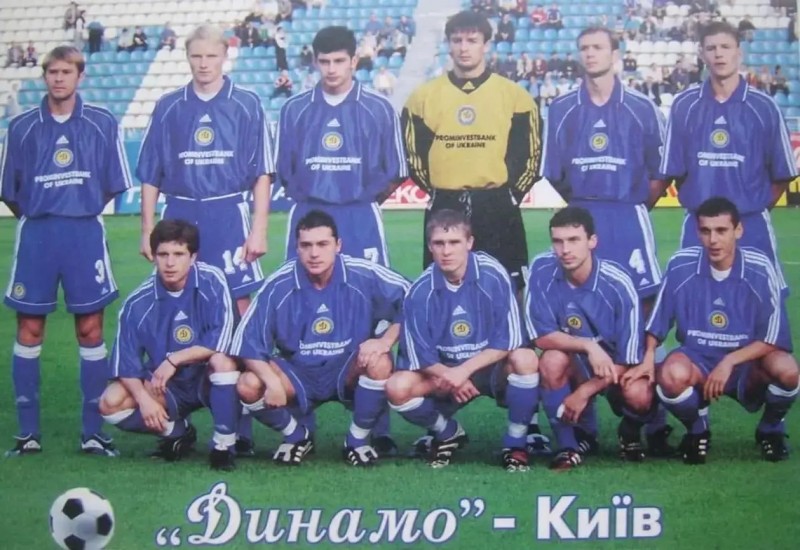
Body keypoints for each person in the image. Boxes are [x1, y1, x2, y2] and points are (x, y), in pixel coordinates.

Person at [541, 26, 671, 453]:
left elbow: (659, 171)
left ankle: (649, 417)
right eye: (584, 48)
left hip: (627, 214)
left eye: (598, 47)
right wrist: (583, 209)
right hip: (583, 211)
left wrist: (632, 206)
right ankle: (585, 425)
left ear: (616, 53)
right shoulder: (562, 108)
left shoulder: (642, 107)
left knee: (642, 306)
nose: (590, 54)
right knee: (575, 311)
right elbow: (556, 173)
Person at [1, 45, 132, 457]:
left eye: (66, 72)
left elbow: (112, 183)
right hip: (38, 235)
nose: (58, 79)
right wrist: (43, 212)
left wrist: (77, 207)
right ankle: (28, 434)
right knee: (29, 329)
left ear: (80, 76)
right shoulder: (21, 127)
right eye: (52, 72)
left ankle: (93, 433)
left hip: (84, 234)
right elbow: (10, 191)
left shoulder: (101, 123)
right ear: (44, 76)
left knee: (90, 329)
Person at [232, 210, 410, 466]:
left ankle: (357, 439)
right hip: (297, 372)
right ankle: (296, 435)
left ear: (338, 245)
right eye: (306, 245)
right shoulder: (278, 284)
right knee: (248, 384)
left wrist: (385, 341)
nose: (314, 253)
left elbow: (415, 299)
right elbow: (247, 343)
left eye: (322, 244)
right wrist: (272, 382)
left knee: (380, 361)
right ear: (297, 248)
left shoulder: (362, 273)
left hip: (348, 366)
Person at [645, 197, 798, 464]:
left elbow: (773, 337)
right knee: (669, 375)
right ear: (697, 232)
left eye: (721, 230)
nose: (713, 240)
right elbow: (657, 321)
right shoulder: (680, 266)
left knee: (788, 371)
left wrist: (730, 361)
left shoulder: (760, 268)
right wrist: (648, 357)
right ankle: (698, 430)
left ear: (738, 230)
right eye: (705, 231)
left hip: (747, 363)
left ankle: (770, 429)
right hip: (698, 359)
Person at [137, 24, 274, 316]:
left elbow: (262, 172)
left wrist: (259, 230)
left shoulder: (246, 103)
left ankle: (238, 350)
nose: (203, 63)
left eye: (211, 56)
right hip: (179, 211)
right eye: (196, 56)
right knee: (176, 299)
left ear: (224, 55)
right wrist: (147, 229)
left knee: (237, 303)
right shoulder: (168, 106)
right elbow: (150, 174)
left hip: (228, 213)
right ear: (187, 57)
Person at [387, 209, 538, 471]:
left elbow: (510, 340)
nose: (446, 251)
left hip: (490, 368)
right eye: (439, 243)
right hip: (444, 375)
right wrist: (452, 375)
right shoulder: (419, 292)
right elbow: (420, 357)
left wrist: (464, 371)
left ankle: (515, 443)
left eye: (454, 242)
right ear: (430, 247)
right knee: (397, 387)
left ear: (469, 243)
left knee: (525, 358)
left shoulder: (494, 274)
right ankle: (447, 432)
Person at [402, 10, 541, 291]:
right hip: (445, 203)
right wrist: (440, 190)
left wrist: (510, 195)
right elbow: (414, 157)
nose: (464, 48)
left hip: (497, 204)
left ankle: (511, 324)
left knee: (508, 286)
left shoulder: (515, 96)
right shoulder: (422, 98)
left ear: (486, 44)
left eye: (472, 40)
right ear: (448, 44)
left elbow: (531, 155)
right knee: (442, 286)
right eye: (457, 40)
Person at [524, 207, 663, 470]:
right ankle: (569, 446)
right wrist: (588, 346)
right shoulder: (541, 270)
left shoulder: (618, 283)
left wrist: (584, 393)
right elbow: (541, 336)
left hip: (618, 366)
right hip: (578, 363)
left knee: (640, 395)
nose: (565, 250)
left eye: (573, 240)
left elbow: (629, 356)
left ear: (592, 241)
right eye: (558, 241)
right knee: (551, 361)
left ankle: (629, 430)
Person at [660, 21, 797, 287]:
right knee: (695, 299)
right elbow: (675, 170)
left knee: (762, 301)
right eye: (711, 48)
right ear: (702, 54)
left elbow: (782, 173)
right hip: (699, 226)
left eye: (725, 47)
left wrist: (750, 207)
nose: (719, 54)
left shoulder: (764, 107)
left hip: (750, 225)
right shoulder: (684, 105)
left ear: (739, 53)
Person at [99, 219, 240, 470]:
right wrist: (144, 401)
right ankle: (177, 431)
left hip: (207, 378)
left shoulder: (213, 281)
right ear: (154, 257)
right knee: (110, 402)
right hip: (168, 387)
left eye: (178, 254)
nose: (170, 263)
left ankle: (223, 444)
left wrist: (174, 359)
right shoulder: (137, 304)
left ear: (193, 257)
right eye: (163, 254)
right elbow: (126, 365)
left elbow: (222, 340)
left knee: (223, 361)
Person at [275, 26, 406, 267]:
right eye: (325, 61)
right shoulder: (294, 109)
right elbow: (284, 170)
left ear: (353, 61)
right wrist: (309, 197)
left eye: (339, 61)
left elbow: (395, 171)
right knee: (302, 286)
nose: (332, 69)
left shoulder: (380, 109)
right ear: (315, 62)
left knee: (368, 286)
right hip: (308, 215)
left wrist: (363, 199)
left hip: (360, 216)